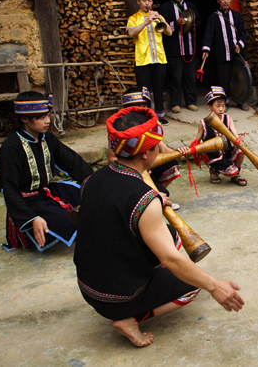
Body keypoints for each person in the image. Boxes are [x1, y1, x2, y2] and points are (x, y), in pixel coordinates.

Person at [74, 106, 244, 347]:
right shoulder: (143, 197)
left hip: (89, 287)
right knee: (194, 286)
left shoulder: (92, 179)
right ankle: (132, 319)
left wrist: (153, 203)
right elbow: (171, 259)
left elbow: (112, 214)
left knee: (170, 233)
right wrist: (214, 286)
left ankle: (151, 283)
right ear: (145, 154)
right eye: (157, 147)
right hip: (119, 299)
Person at [0, 91, 93, 251]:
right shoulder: (10, 149)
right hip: (26, 201)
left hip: (47, 192)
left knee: (90, 200)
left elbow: (73, 163)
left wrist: (96, 184)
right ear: (24, 119)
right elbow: (9, 189)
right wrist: (31, 218)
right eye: (41, 118)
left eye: (48, 116)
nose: (48, 121)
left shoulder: (47, 138)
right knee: (68, 220)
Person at [107, 87, 181, 210]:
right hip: (131, 168)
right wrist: (135, 163)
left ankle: (160, 194)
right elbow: (111, 158)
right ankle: (154, 199)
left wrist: (182, 152)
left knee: (171, 163)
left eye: (143, 106)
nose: (140, 109)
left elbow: (163, 148)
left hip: (145, 164)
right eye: (137, 106)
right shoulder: (118, 130)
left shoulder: (148, 126)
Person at [182, 86, 247, 186]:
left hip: (227, 152)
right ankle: (214, 170)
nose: (221, 109)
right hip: (214, 156)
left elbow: (235, 135)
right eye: (218, 106)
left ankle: (235, 175)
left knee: (241, 152)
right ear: (209, 107)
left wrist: (238, 141)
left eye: (223, 105)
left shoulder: (228, 118)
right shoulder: (203, 123)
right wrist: (189, 151)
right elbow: (197, 141)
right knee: (231, 170)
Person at [126, 0, 172, 125]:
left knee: (159, 87)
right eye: (144, 0)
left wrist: (159, 18)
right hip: (142, 59)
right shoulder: (133, 18)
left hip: (159, 58)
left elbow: (169, 32)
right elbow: (131, 33)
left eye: (149, 0)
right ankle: (146, 116)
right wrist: (146, 22)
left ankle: (160, 116)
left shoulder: (158, 16)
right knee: (144, 90)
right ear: (138, 2)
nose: (147, 3)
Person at [202, 0, 249, 111]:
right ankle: (225, 101)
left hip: (237, 53)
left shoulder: (237, 16)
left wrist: (239, 44)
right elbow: (209, 34)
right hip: (222, 53)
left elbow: (243, 33)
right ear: (218, 1)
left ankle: (241, 100)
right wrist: (206, 49)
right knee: (224, 78)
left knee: (240, 77)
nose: (226, 1)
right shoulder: (213, 17)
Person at [159, 0, 201, 113]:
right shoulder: (165, 7)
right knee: (176, 76)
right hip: (175, 49)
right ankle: (175, 103)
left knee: (190, 76)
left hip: (190, 48)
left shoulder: (191, 6)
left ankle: (190, 101)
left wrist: (191, 23)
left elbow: (200, 22)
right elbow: (162, 27)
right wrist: (175, 24)